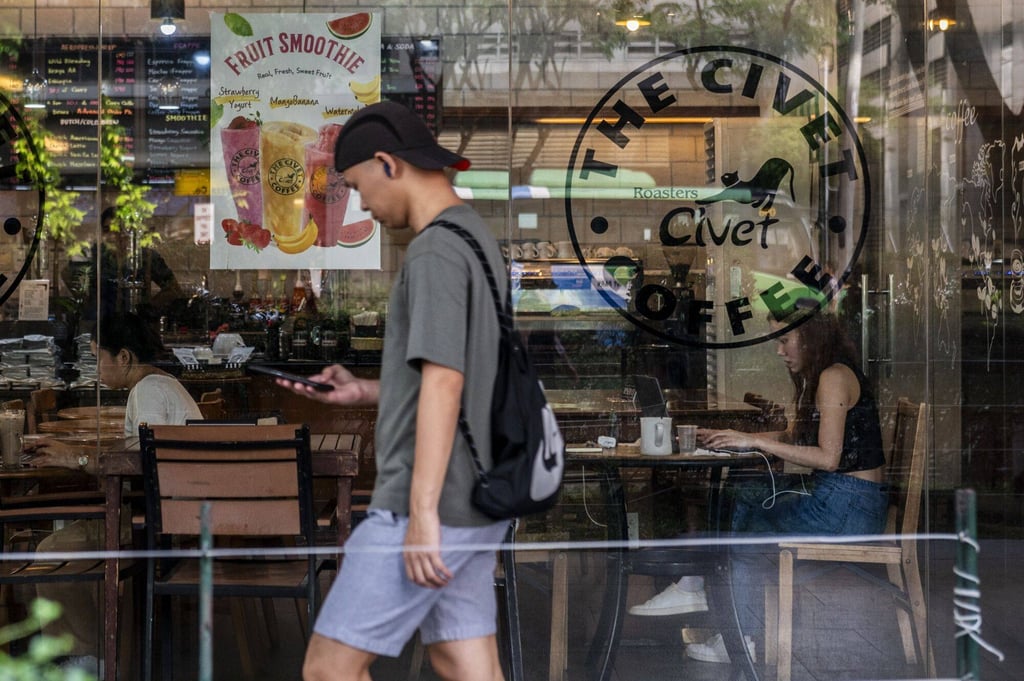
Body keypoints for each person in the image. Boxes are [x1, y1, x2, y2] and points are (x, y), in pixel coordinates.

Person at [274, 101, 510, 681]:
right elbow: (466, 376)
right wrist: (367, 392)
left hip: (427, 504)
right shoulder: (477, 238)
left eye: (357, 186)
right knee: (462, 662)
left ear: (387, 163)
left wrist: (422, 513)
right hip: (479, 496)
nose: (362, 204)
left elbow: (445, 379)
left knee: (329, 670)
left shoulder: (433, 250)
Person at [629, 309, 888, 665]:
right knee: (745, 495)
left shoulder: (833, 377)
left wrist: (758, 444)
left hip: (847, 509)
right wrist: (742, 439)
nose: (779, 351)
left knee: (747, 523)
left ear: (810, 337)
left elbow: (828, 458)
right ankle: (712, 601)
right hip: (844, 501)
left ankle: (720, 610)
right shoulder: (827, 374)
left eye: (784, 340)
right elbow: (797, 436)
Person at [26, 312, 202, 675]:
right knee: (69, 540)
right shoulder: (161, 384)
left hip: (158, 520)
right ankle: (97, 649)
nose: (95, 367)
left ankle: (90, 658)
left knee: (53, 550)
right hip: (170, 513)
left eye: (97, 358)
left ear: (123, 357)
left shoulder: (149, 389)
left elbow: (140, 461)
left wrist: (75, 457)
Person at [66, 207, 184, 320]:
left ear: (127, 232)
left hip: (135, 326)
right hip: (100, 325)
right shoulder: (95, 254)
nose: (112, 236)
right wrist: (85, 302)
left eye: (117, 230)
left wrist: (147, 309)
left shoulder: (145, 256)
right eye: (107, 230)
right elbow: (67, 273)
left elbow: (173, 289)